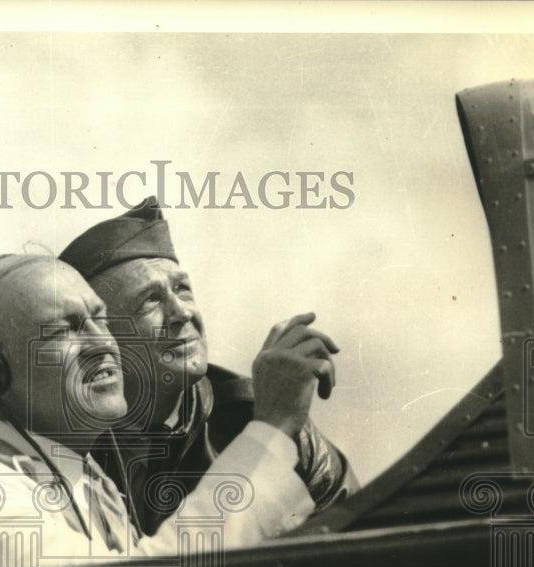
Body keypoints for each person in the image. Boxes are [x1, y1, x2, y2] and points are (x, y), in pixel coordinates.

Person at [0, 253, 323, 567]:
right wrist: (272, 428)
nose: (104, 344)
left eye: (100, 319)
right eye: (65, 329)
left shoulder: (88, 485)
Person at [59, 197, 358, 535]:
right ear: (103, 336)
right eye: (151, 300)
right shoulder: (70, 445)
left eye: (182, 289)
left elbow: (359, 537)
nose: (183, 312)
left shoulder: (257, 417)